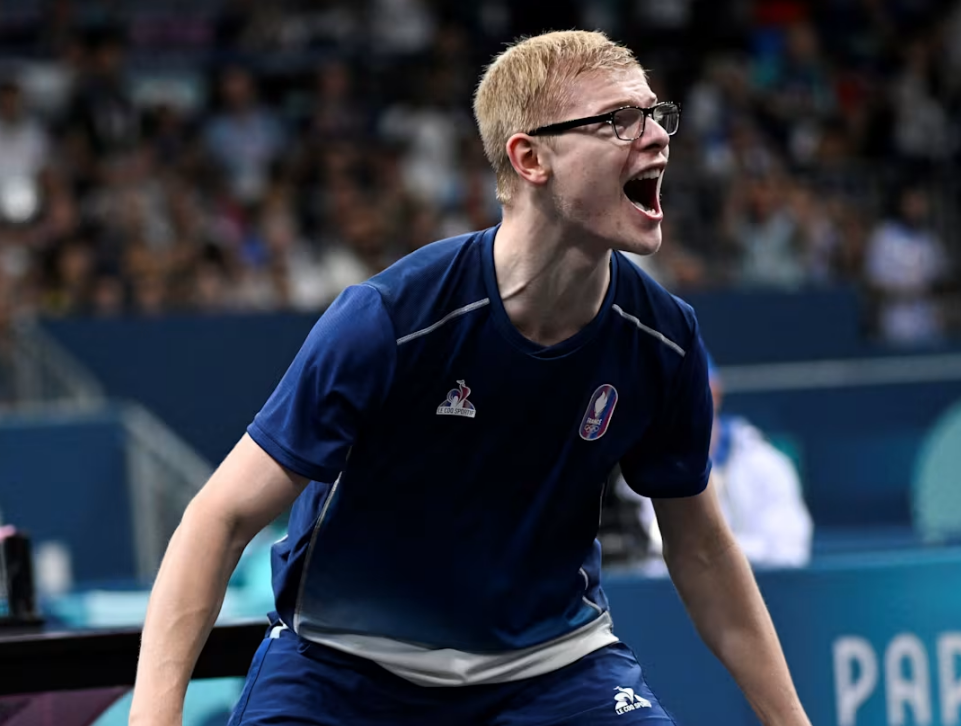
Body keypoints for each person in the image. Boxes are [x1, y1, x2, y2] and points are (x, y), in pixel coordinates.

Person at [130, 30, 811, 726]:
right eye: (615, 121)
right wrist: (153, 716)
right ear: (529, 157)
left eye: (654, 114)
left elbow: (699, 550)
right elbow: (218, 519)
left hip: (552, 669)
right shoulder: (389, 320)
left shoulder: (663, 338)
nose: (655, 138)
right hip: (345, 666)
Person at [620, 355, 814, 572]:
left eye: (688, 388)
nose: (677, 403)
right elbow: (644, 563)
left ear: (715, 391)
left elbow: (789, 552)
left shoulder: (765, 465)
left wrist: (706, 552)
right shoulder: (635, 473)